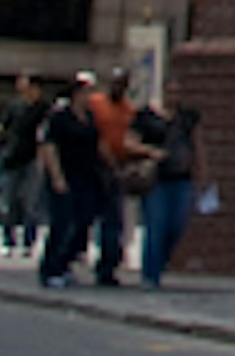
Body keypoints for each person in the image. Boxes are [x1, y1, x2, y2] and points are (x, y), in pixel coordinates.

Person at [37, 73, 110, 286]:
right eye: (87, 91)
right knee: (62, 223)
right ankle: (51, 268)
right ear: (76, 93)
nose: (91, 95)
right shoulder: (60, 117)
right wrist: (57, 177)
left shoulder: (89, 118)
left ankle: (66, 262)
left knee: (83, 222)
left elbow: (98, 145)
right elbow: (49, 147)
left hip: (86, 177)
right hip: (65, 176)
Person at [89, 65, 151, 285]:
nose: (119, 87)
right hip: (93, 166)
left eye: (123, 83)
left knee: (113, 219)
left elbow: (131, 140)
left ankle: (107, 266)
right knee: (84, 217)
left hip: (117, 167)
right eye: (116, 82)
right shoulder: (95, 104)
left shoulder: (128, 111)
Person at [137, 92, 200, 287]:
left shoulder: (187, 118)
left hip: (182, 178)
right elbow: (130, 141)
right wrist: (151, 152)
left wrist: (202, 171)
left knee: (176, 225)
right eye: (170, 92)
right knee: (156, 226)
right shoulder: (147, 117)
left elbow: (197, 144)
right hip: (157, 179)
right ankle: (150, 274)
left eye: (177, 92)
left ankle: (161, 261)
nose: (173, 96)